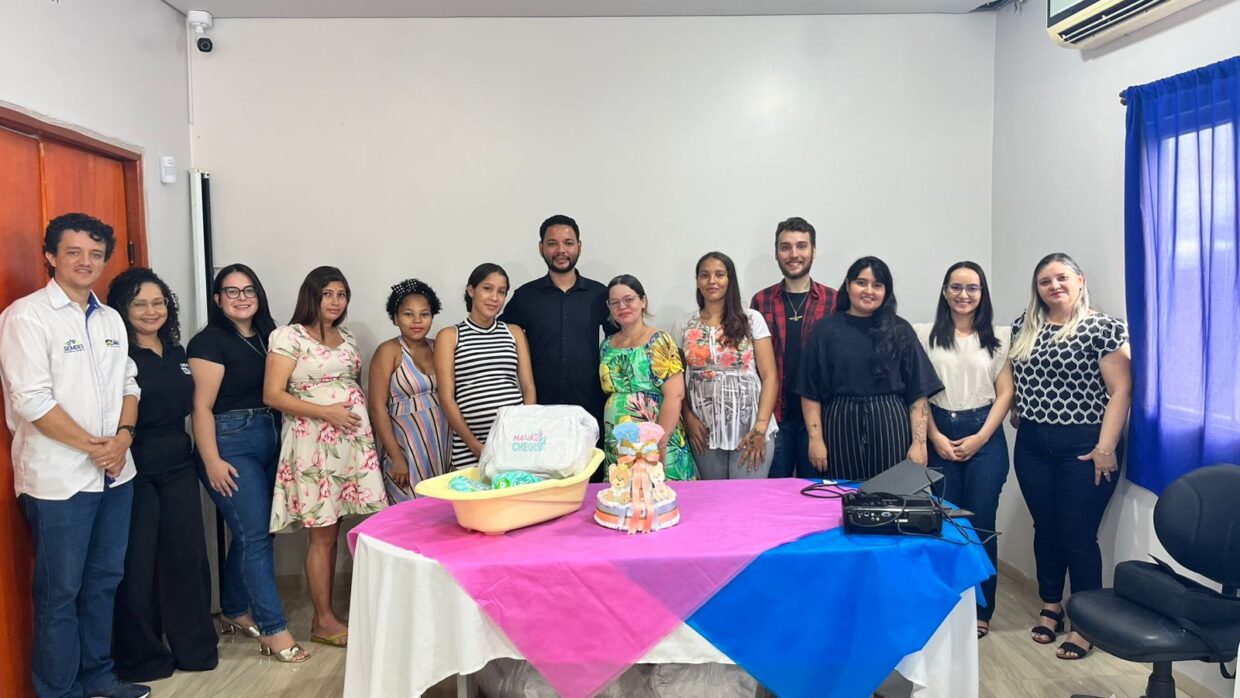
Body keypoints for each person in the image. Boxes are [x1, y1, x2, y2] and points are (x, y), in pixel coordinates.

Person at [0, 213, 149, 698]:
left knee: (104, 581)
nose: (86, 262)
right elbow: (32, 400)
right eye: (74, 252)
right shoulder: (26, 317)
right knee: (59, 593)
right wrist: (95, 447)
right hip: (58, 481)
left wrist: (122, 439)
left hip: (116, 475)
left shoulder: (110, 319)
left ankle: (98, 678)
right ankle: (59, 691)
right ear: (51, 256)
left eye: (96, 254)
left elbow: (129, 384)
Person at [1009, 253, 1131, 661]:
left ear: (1080, 279)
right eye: (1045, 281)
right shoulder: (1025, 326)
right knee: (1045, 528)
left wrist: (1106, 448)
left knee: (1078, 535)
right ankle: (1051, 605)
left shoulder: (1104, 327)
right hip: (1032, 445)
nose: (1054, 286)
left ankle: (1085, 621)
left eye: (1061, 278)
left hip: (1085, 446)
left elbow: (1121, 391)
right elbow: (1020, 380)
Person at [188, 264, 309, 662]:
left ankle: (235, 609)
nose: (241, 298)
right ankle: (274, 631)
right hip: (231, 442)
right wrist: (211, 460)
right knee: (256, 535)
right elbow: (201, 407)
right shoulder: (209, 342)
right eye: (231, 291)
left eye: (248, 290)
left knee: (256, 532)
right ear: (217, 298)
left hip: (273, 436)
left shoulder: (270, 335)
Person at [264, 266, 387, 649]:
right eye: (328, 294)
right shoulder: (288, 336)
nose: (335, 301)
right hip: (313, 444)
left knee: (337, 530)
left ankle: (331, 613)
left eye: (341, 294)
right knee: (323, 533)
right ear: (312, 296)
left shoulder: (347, 337)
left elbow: (351, 386)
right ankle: (323, 619)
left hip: (349, 446)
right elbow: (273, 394)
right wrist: (327, 413)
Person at [106, 268, 217, 681]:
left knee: (187, 558)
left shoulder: (176, 351)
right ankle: (143, 658)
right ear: (123, 309)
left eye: (158, 302)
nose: (151, 311)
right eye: (139, 304)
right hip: (134, 468)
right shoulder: (117, 354)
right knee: (136, 566)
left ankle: (195, 650)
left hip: (178, 464)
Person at [914, 261, 1012, 640]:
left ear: (982, 293)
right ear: (944, 291)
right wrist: (934, 437)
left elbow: (1005, 393)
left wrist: (981, 437)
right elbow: (918, 393)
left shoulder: (998, 337)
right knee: (946, 524)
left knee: (981, 523)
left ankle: (981, 610)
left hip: (984, 433)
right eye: (956, 287)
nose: (964, 295)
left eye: (972, 288)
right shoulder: (924, 335)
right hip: (939, 428)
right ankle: (950, 606)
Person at [797, 256, 942, 482]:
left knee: (893, 492)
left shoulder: (900, 330)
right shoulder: (825, 331)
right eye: (861, 283)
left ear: (886, 291)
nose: (869, 291)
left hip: (890, 422)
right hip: (840, 423)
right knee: (843, 493)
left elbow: (918, 394)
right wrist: (815, 439)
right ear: (848, 285)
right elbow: (810, 392)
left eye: (877, 285)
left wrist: (919, 443)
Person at [500, 215, 612, 457]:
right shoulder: (525, 297)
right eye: (552, 243)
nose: (561, 250)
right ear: (541, 248)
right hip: (540, 412)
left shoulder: (599, 294)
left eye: (568, 243)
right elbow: (499, 341)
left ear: (579, 246)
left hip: (590, 410)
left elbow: (621, 342)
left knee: (590, 474)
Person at [750, 217, 837, 478]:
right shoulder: (761, 301)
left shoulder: (834, 300)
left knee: (817, 492)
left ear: (814, 250)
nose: (794, 254)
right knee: (774, 494)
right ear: (776, 252)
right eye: (786, 247)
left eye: (801, 246)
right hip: (775, 419)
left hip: (822, 421)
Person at [678, 252, 779, 479]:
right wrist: (688, 418)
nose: (712, 281)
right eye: (705, 275)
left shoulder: (751, 319)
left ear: (730, 279)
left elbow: (770, 377)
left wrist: (760, 427)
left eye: (719, 274)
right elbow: (676, 381)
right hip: (704, 431)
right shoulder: (683, 324)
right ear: (697, 281)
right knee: (714, 498)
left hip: (750, 429)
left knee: (746, 499)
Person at [434, 263, 536, 469]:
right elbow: (446, 396)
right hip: (469, 448)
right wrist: (474, 445)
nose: (494, 298)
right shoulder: (449, 336)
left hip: (514, 444)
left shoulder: (514, 332)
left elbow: (528, 387)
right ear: (471, 290)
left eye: (501, 292)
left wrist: (523, 432)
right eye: (487, 289)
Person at [599, 275, 696, 480]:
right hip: (618, 441)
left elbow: (675, 395)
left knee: (660, 493)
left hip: (657, 439)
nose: (622, 306)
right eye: (614, 302)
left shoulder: (659, 341)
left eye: (629, 299)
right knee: (622, 495)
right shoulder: (606, 345)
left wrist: (659, 442)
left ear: (643, 301)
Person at [367, 278, 450, 502]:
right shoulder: (388, 351)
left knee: (442, 510)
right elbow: (376, 408)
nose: (417, 321)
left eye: (424, 314)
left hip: (443, 441)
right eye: (408, 314)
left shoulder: (439, 346)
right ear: (395, 318)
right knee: (408, 512)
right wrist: (396, 457)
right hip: (406, 446)